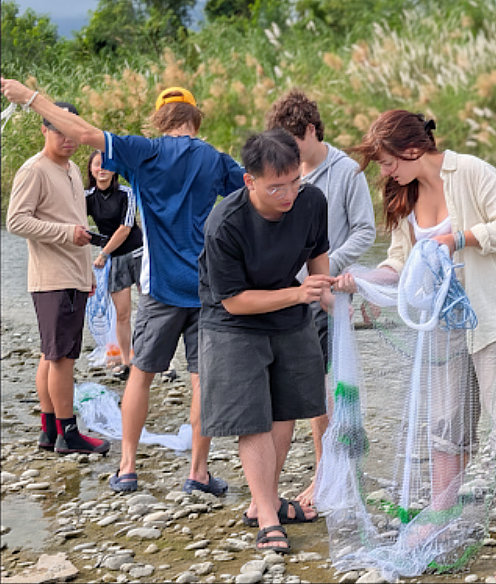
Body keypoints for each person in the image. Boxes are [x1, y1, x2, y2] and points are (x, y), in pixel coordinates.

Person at [0, 77, 245, 495]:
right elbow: (253, 194)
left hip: (159, 286)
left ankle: (128, 468)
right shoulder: (214, 159)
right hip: (206, 287)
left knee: (141, 376)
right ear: (194, 119)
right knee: (202, 381)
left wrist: (31, 99)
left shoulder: (144, 151)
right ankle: (198, 474)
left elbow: (83, 132)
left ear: (161, 119)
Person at [334, 110, 496, 583]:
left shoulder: (470, 171)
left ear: (412, 150)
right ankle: (440, 524)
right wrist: (359, 281)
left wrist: (458, 238)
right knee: (446, 428)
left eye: (387, 162)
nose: (384, 172)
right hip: (444, 327)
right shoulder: (401, 194)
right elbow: (399, 264)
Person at [198, 129, 335, 551]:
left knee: (286, 407)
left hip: (288, 316)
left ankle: (265, 501)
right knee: (251, 415)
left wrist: (328, 293)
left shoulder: (311, 201)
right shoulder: (226, 223)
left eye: (294, 180)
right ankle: (269, 517)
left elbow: (317, 255)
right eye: (276, 186)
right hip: (232, 323)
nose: (288, 193)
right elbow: (235, 302)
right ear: (249, 181)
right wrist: (299, 293)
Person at [265, 88, 376, 508]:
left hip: (328, 296)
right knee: (302, 390)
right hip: (290, 296)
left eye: (292, 145)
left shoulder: (347, 171)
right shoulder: (286, 173)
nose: (287, 156)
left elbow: (365, 230)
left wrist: (323, 268)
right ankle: (328, 473)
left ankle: (329, 476)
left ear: (311, 130)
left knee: (327, 391)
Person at [6, 101, 110, 456]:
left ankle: (50, 431)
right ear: (44, 130)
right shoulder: (34, 169)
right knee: (62, 358)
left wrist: (86, 274)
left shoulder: (71, 171)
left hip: (72, 275)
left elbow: (75, 224)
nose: (68, 139)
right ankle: (69, 433)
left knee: (51, 356)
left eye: (73, 131)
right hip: (52, 278)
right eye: (59, 131)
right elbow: (16, 222)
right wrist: (67, 233)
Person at [84, 149, 144, 382]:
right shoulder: (87, 197)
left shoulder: (126, 194)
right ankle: (125, 361)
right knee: (122, 313)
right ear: (91, 168)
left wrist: (103, 254)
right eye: (98, 165)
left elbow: (126, 228)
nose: (102, 169)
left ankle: (160, 361)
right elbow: (77, 222)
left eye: (107, 165)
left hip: (137, 252)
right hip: (114, 259)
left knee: (150, 308)